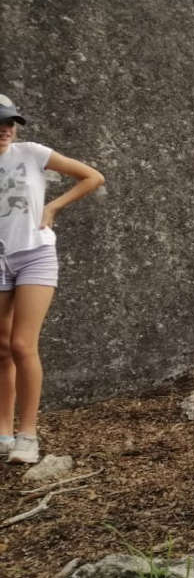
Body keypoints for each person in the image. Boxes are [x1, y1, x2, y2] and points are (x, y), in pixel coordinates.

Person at [0, 95, 104, 465]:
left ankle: (28, 434)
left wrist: (54, 206)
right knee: (2, 347)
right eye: (0, 123)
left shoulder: (31, 153)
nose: (5, 129)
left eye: (10, 122)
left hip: (35, 255)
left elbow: (92, 176)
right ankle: (4, 433)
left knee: (23, 344)